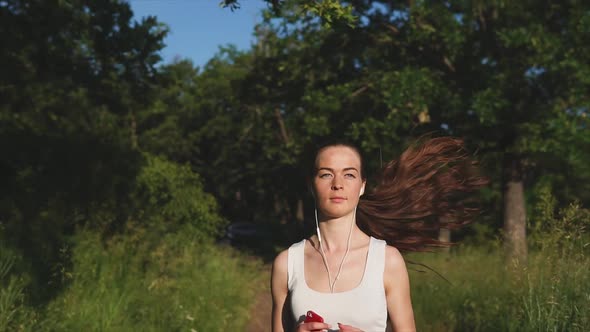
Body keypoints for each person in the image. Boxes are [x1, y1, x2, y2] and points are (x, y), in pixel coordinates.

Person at [271, 137, 486, 332]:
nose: (338, 184)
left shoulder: (387, 260)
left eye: (349, 174)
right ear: (311, 185)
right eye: (326, 174)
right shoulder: (287, 263)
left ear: (362, 186)